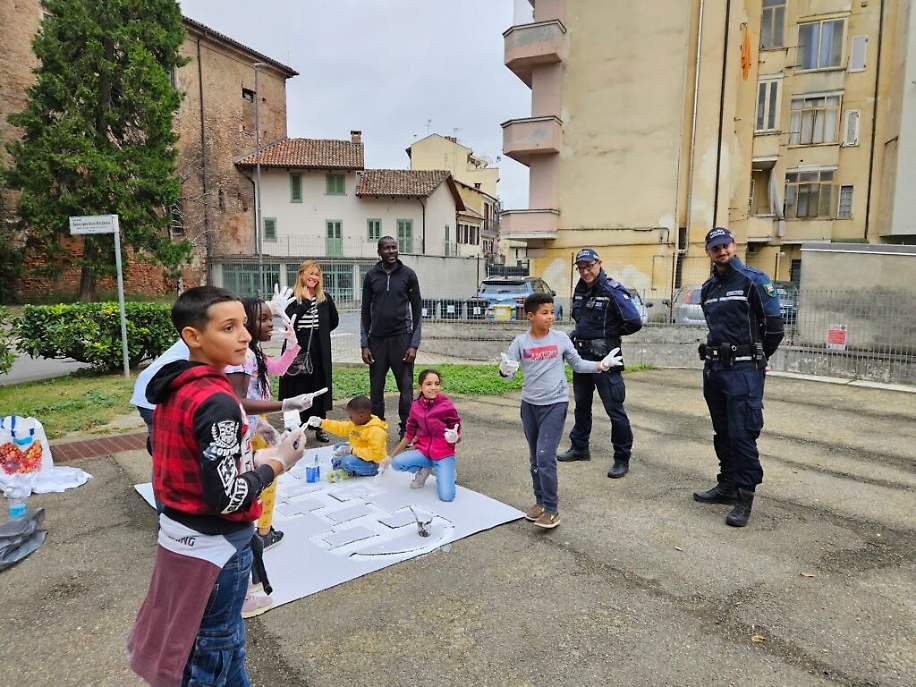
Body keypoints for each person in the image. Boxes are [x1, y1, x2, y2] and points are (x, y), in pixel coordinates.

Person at [128, 286, 307, 687]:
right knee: (217, 648)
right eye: (229, 327)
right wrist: (279, 461)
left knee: (208, 646)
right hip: (217, 549)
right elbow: (227, 498)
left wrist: (250, 455)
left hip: (179, 537)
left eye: (243, 325)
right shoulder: (218, 400)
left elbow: (179, 455)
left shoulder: (175, 386)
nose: (244, 336)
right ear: (193, 336)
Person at [499, 292, 623, 529]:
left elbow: (577, 364)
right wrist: (504, 371)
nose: (550, 317)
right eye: (545, 313)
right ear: (530, 316)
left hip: (554, 405)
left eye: (552, 312)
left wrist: (601, 365)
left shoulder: (561, 339)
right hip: (529, 406)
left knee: (545, 457)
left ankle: (553, 510)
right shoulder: (520, 343)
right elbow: (509, 375)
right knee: (535, 458)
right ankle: (540, 503)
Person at [225, 296, 316, 618]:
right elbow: (238, 402)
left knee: (263, 483)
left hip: (251, 430)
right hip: (240, 435)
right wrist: (285, 405)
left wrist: (292, 342)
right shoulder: (243, 356)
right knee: (260, 483)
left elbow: (275, 370)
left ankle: (260, 534)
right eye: (264, 320)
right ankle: (259, 537)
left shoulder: (253, 354)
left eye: (271, 320)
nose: (270, 326)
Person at [693, 227, 785, 528]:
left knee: (743, 432)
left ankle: (745, 496)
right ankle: (727, 484)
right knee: (723, 431)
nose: (721, 251)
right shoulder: (708, 289)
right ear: (708, 251)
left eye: (725, 245)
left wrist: (759, 359)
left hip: (744, 371)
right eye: (715, 247)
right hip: (716, 370)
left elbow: (774, 327)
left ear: (734, 246)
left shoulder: (753, 281)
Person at [557, 248, 643, 478]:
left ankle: (621, 458)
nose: (585, 271)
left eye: (589, 266)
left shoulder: (611, 290)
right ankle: (579, 447)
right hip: (582, 358)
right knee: (582, 406)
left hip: (606, 358)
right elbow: (581, 319)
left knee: (615, 409)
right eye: (581, 268)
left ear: (599, 264)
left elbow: (634, 321)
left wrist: (608, 336)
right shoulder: (579, 290)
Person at [360, 236, 422, 439]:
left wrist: (414, 344)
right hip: (377, 341)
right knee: (376, 389)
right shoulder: (371, 276)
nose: (391, 251)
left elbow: (417, 311)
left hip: (401, 340)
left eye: (394, 247)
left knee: (405, 389)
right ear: (379, 251)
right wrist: (365, 344)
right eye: (386, 248)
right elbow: (365, 312)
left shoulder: (408, 275)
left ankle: (407, 428)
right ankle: (377, 427)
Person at [280, 261, 339, 443]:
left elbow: (333, 321)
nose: (314, 277)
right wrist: (305, 302)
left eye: (317, 274)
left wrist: (320, 336)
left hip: (319, 349)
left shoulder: (325, 298)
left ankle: (319, 427)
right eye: (310, 273)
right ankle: (297, 429)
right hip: (297, 347)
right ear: (301, 275)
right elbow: (289, 320)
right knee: (298, 387)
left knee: (317, 388)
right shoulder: (291, 297)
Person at [388, 369, 461, 502]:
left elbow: (457, 432)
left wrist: (456, 437)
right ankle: (424, 467)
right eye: (429, 384)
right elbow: (409, 435)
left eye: (437, 384)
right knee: (396, 463)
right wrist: (390, 457)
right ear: (420, 387)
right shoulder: (416, 407)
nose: (433, 388)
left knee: (447, 496)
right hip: (424, 453)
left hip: (443, 454)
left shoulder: (447, 406)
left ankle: (447, 470)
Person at [305, 395, 388, 477]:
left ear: (361, 415)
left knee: (348, 461)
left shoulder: (376, 431)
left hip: (373, 464)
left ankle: (345, 468)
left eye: (351, 417)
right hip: (357, 455)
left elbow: (374, 454)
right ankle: (340, 468)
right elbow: (339, 427)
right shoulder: (355, 424)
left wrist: (351, 451)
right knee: (338, 446)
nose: (350, 419)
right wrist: (322, 423)